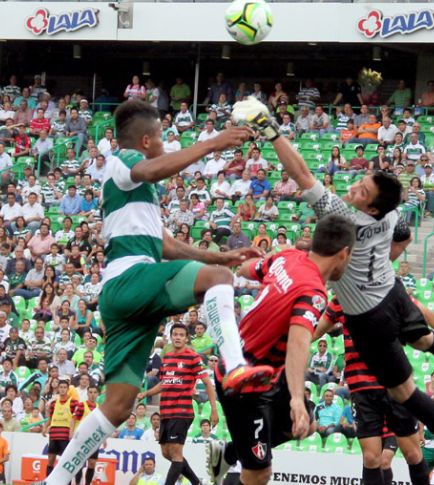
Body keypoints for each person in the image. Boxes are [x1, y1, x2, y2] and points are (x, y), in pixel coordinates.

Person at [231, 96, 434, 480]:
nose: (354, 188)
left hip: (370, 318)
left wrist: (271, 131)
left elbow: (301, 173)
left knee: (406, 394)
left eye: (361, 190)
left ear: (370, 208)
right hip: (393, 291)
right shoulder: (390, 213)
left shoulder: (344, 217)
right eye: (359, 183)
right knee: (424, 339)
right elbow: (402, 233)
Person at [34, 100, 273, 485]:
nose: (163, 143)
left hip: (121, 295)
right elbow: (150, 168)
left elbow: (166, 246)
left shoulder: (135, 192)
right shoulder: (124, 160)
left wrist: (223, 257)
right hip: (131, 279)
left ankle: (55, 481)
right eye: (160, 136)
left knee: (117, 406)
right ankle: (235, 365)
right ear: (146, 140)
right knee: (218, 281)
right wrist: (213, 143)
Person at [205, 215, 355, 485]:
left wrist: (260, 263)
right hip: (244, 381)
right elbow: (298, 343)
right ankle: (236, 456)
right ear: (344, 254)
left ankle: (229, 453)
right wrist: (297, 398)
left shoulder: (288, 257)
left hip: (269, 372)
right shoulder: (314, 292)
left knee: (306, 426)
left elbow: (245, 270)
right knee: (259, 473)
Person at [314, 296, 428, 485]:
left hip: (393, 387)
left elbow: (422, 314)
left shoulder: (387, 291)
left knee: (412, 454)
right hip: (363, 389)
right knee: (371, 458)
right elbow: (315, 331)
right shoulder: (340, 300)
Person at [137, 323, 218, 485]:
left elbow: (208, 384)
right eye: (175, 334)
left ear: (186, 338)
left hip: (182, 411)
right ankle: (197, 482)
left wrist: (214, 410)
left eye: (182, 335)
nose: (178, 337)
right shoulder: (167, 358)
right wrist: (146, 393)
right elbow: (164, 383)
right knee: (166, 452)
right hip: (166, 411)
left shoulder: (193, 357)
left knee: (175, 453)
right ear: (171, 337)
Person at [42, 381, 79, 479]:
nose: (62, 389)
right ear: (58, 389)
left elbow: (76, 418)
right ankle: (48, 481)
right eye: (61, 387)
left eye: (64, 387)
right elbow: (51, 418)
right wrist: (45, 427)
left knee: (65, 461)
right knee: (50, 459)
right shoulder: (54, 403)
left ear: (68, 389)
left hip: (65, 436)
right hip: (54, 434)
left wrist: (72, 432)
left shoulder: (73, 402)